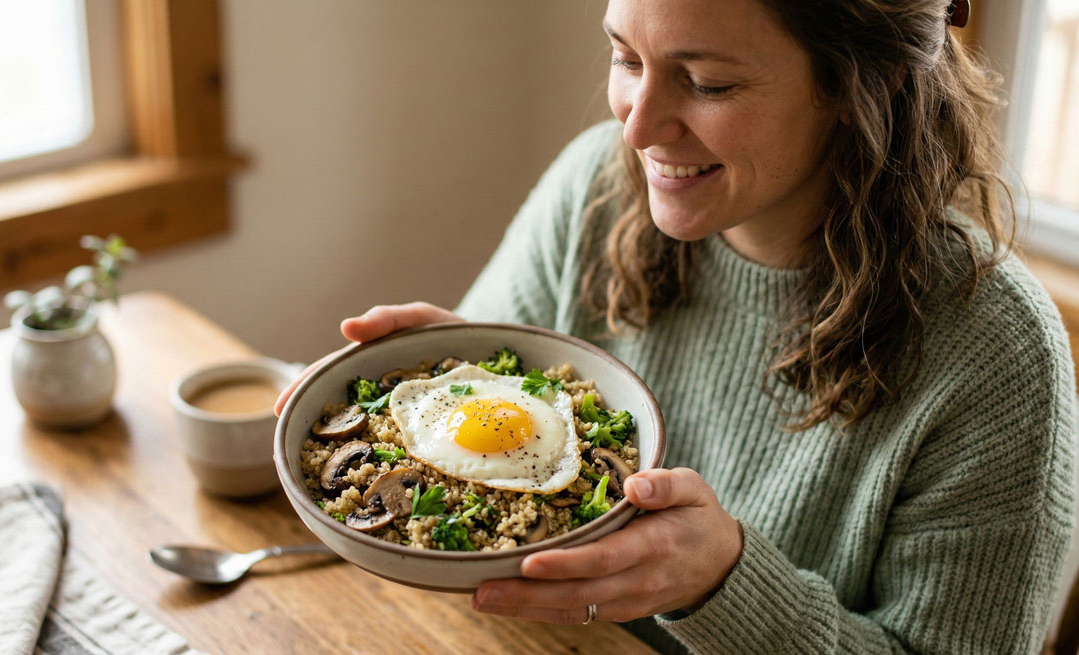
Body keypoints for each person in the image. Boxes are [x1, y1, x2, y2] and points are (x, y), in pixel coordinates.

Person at [275, 0, 1078, 652]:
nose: (637, 125)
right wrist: (450, 372)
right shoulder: (593, 182)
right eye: (627, 58)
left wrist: (728, 586)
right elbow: (489, 437)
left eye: (707, 83)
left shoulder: (997, 355)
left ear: (857, 88)